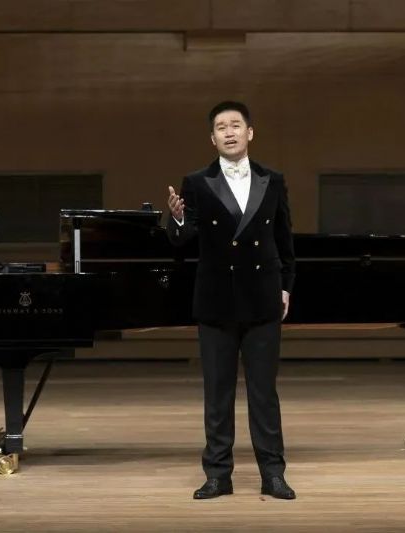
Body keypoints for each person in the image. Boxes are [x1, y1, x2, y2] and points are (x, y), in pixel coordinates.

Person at [167, 101, 297, 500]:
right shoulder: (196, 182)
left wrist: (286, 286)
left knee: (264, 393)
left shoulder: (272, 179)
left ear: (249, 132)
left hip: (262, 298)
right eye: (221, 127)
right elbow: (182, 241)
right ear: (212, 138)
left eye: (235, 125)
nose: (229, 131)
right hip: (216, 299)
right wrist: (176, 218)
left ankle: (273, 474)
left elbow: (285, 240)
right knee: (217, 394)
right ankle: (218, 476)